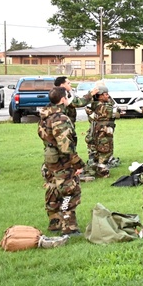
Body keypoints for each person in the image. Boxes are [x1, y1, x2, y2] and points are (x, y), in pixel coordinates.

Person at [38, 86, 84, 236]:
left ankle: (54, 222)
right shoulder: (60, 118)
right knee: (69, 193)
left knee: (52, 190)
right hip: (62, 162)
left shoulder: (44, 116)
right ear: (63, 99)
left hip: (50, 161)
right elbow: (65, 145)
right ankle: (68, 226)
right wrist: (77, 163)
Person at [84, 81, 120, 178]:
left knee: (97, 150)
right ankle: (102, 171)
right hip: (103, 131)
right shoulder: (105, 106)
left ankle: (94, 169)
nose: (108, 96)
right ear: (99, 95)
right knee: (105, 150)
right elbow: (116, 112)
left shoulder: (93, 104)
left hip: (95, 129)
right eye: (106, 94)